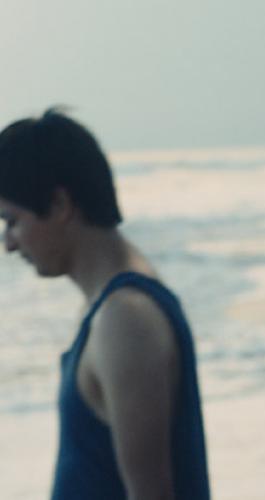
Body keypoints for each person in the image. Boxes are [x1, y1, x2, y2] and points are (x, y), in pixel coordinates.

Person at [0, 109, 210, 499]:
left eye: (11, 221)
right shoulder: (110, 307)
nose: (8, 244)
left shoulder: (126, 318)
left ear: (59, 205)